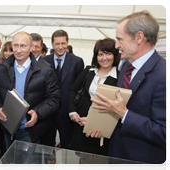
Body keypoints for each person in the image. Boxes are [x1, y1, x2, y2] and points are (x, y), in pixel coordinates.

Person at [88, 11, 168, 166]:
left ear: (139, 38)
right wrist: (101, 125)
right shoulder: (126, 67)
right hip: (116, 156)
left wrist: (125, 114)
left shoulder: (164, 75)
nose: (116, 46)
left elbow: (165, 132)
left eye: (120, 39)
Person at [0, 31, 61, 149]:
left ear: (31, 47)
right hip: (7, 128)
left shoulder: (45, 71)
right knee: (9, 164)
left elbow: (54, 99)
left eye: (23, 46)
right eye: (16, 45)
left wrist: (38, 113)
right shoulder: (2, 69)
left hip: (30, 130)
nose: (18, 50)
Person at [68, 38, 120, 155]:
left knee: (98, 163)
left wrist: (93, 122)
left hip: (101, 131)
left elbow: (117, 109)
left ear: (115, 55)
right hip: (81, 124)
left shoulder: (119, 78)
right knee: (81, 161)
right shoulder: (89, 71)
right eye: (100, 54)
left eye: (108, 54)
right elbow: (73, 90)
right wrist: (72, 112)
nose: (104, 58)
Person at [44, 29, 84, 149]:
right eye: (57, 44)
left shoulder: (77, 62)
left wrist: (73, 110)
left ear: (67, 43)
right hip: (48, 113)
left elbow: (80, 90)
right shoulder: (45, 61)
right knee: (47, 147)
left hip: (67, 114)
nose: (60, 47)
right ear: (52, 44)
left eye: (63, 43)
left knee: (68, 146)